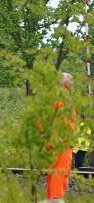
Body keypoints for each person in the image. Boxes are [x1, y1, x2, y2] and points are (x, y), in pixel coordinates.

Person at [45, 72, 77, 202]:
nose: (72, 84)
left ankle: (53, 198)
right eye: (71, 81)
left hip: (57, 143)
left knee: (55, 174)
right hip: (60, 143)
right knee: (59, 173)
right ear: (66, 84)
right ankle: (55, 199)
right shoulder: (61, 100)